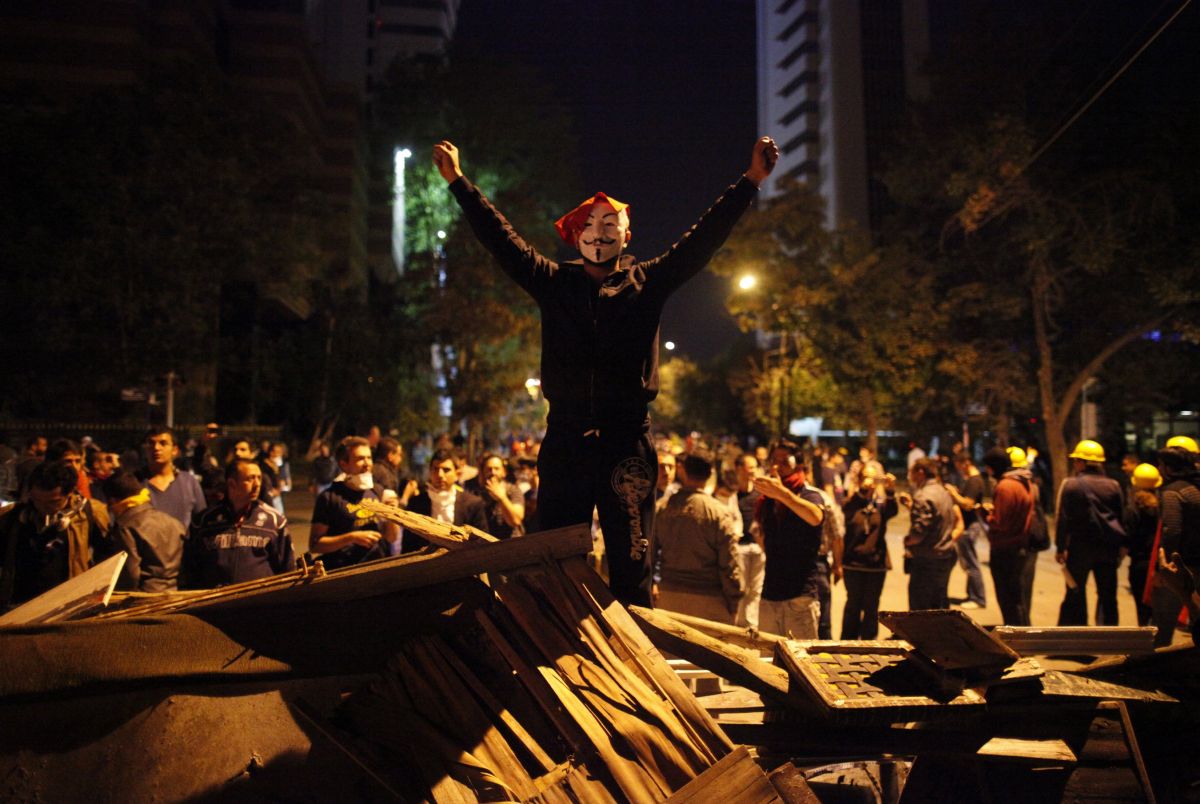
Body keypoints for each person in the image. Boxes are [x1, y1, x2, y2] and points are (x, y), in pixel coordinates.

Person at [434, 135, 778, 606]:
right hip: (566, 441)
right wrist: (458, 183)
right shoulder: (552, 282)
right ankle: (554, 653)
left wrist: (751, 181)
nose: (600, 232)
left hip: (627, 444)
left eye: (611, 223)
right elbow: (503, 241)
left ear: (627, 235)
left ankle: (635, 660)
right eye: (591, 225)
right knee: (552, 558)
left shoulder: (649, 282)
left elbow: (703, 240)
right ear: (576, 235)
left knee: (632, 562)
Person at [0, 460, 111, 608]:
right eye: (37, 500)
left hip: (67, 605)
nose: (42, 508)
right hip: (18, 604)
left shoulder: (91, 514)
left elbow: (107, 557)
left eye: (53, 502)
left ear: (70, 493)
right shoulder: (11, 517)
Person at [651, 448, 743, 623]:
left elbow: (650, 553)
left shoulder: (662, 508)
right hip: (709, 600)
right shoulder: (718, 513)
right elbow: (730, 564)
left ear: (682, 471)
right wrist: (734, 601)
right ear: (710, 474)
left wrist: (652, 584)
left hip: (668, 596)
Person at [754, 440, 826, 638]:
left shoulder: (809, 495)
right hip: (770, 594)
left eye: (785, 461)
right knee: (769, 662)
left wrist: (782, 494)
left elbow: (815, 517)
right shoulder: (766, 500)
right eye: (774, 461)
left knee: (801, 661)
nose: (777, 466)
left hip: (800, 597)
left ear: (799, 464)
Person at [185, 459, 295, 587]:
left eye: (259, 478)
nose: (257, 484)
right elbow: (191, 568)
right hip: (214, 603)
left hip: (260, 603)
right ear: (232, 484)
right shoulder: (204, 521)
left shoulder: (275, 521)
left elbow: (287, 569)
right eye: (250, 479)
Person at [1055, 440, 1125, 626]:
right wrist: (1122, 547)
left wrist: (1060, 548)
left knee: (1076, 592)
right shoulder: (1114, 485)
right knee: (1108, 595)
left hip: (1079, 548)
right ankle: (1109, 638)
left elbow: (1062, 519)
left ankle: (1078, 638)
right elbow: (1121, 517)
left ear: (1082, 462)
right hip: (1107, 548)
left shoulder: (1070, 485)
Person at [309, 436, 400, 569]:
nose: (367, 464)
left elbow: (391, 538)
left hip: (378, 567)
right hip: (345, 571)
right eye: (360, 458)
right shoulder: (329, 497)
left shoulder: (377, 490)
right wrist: (351, 537)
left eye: (369, 458)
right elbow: (315, 545)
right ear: (343, 464)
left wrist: (392, 515)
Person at [104, 470, 186, 592]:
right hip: (177, 595)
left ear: (114, 502)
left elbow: (130, 575)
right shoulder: (175, 523)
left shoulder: (126, 527)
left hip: (145, 600)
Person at [840, 466, 897, 639]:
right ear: (858, 480)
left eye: (874, 479)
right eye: (866, 477)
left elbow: (892, 510)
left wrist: (890, 489)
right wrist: (862, 490)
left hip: (876, 564)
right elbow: (847, 510)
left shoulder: (881, 505)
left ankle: (869, 642)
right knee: (853, 605)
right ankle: (847, 643)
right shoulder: (852, 503)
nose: (871, 483)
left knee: (871, 606)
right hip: (853, 563)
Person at [1151, 445, 1200, 646]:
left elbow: (1172, 530)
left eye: (1161, 465)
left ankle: (1159, 668)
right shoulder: (1194, 488)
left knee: (1163, 617)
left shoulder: (1173, 492)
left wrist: (1162, 570)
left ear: (1168, 468)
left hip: (1184, 565)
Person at [981, 447, 1036, 625]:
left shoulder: (1005, 486)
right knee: (1017, 598)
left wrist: (986, 514)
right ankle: (1023, 635)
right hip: (1019, 545)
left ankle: (1016, 640)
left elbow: (1000, 522)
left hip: (1005, 549)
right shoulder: (1024, 483)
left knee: (1008, 599)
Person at [900, 457, 959, 610]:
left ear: (920, 472)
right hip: (944, 555)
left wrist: (908, 541)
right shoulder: (943, 492)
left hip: (927, 559)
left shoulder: (923, 495)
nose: (910, 476)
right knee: (938, 605)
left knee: (920, 608)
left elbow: (919, 532)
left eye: (912, 472)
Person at [407, 448, 489, 549]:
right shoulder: (416, 503)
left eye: (446, 470)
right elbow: (408, 545)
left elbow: (482, 544)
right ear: (430, 472)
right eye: (435, 469)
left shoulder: (473, 503)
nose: (440, 475)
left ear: (457, 474)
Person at [944, 453, 991, 609]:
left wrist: (953, 493)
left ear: (965, 463)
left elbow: (967, 504)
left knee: (971, 563)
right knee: (967, 563)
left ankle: (978, 598)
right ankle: (973, 595)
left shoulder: (974, 481)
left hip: (969, 526)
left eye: (958, 465)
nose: (958, 469)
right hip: (969, 525)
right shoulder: (973, 480)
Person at [142, 427, 206, 528]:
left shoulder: (189, 482)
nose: (156, 448)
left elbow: (201, 521)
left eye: (163, 443)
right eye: (151, 443)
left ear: (175, 450)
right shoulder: (136, 483)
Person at [1123, 462, 1162, 628]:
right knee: (1158, 608)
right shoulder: (1163, 507)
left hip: (1139, 564)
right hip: (1158, 563)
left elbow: (1127, 537)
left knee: (1142, 608)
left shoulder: (1133, 509)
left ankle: (1145, 639)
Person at [732, 453, 765, 629]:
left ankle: (751, 627)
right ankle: (736, 626)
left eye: (754, 467)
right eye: (749, 466)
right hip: (739, 547)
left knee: (756, 589)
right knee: (740, 589)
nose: (753, 470)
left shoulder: (759, 494)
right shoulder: (731, 494)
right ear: (738, 468)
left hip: (757, 547)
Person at [465, 453, 525, 539]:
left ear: (504, 472)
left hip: (510, 541)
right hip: (484, 541)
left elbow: (516, 521)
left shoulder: (513, 490)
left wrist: (502, 498)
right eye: (489, 469)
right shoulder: (474, 492)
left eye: (497, 469)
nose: (493, 472)